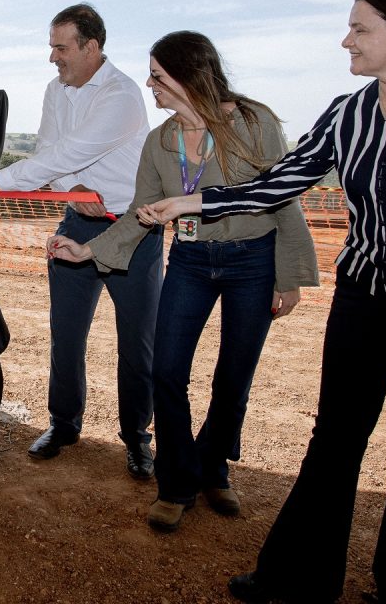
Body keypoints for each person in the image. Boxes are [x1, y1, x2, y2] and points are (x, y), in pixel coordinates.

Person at [145, 0, 386, 603]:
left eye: (359, 28)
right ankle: (295, 577)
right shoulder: (350, 112)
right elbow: (280, 183)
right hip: (364, 296)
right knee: (336, 434)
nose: (344, 40)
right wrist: (192, 202)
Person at [49, 31, 318, 533]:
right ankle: (175, 484)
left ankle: (213, 470)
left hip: (253, 262)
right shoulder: (161, 141)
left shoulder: (254, 123)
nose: (150, 85)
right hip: (191, 260)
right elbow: (140, 214)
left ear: (189, 75)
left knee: (233, 377)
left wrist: (290, 275)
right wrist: (88, 250)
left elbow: (283, 198)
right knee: (167, 371)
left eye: (158, 75)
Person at [0, 3, 163, 476]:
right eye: (52, 48)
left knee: (138, 342)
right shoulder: (54, 90)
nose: (53, 58)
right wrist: (74, 192)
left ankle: (137, 439)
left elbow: (75, 150)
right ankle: (64, 424)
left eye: (61, 48)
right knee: (66, 334)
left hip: (133, 230)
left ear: (92, 47)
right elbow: (50, 154)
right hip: (77, 223)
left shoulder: (122, 95)